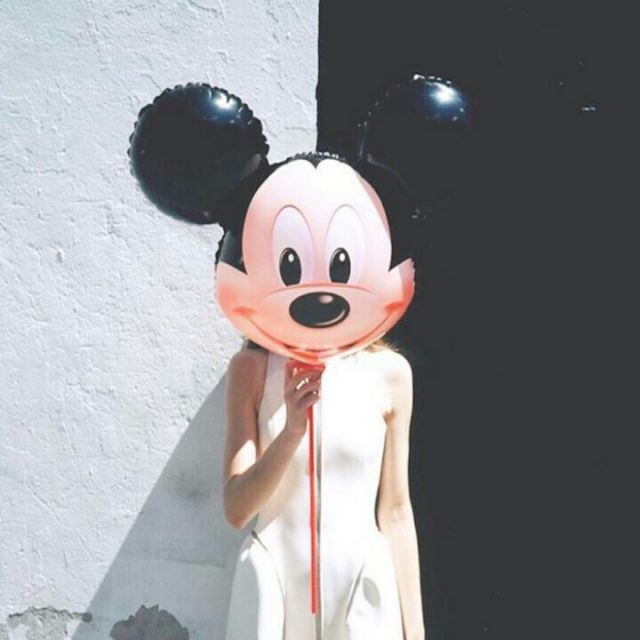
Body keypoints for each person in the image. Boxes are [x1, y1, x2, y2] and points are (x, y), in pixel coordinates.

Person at [223, 337, 425, 639]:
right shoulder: (252, 369)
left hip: (362, 586)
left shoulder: (390, 373)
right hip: (273, 583)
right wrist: (291, 433)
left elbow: (396, 511)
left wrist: (416, 632)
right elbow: (236, 510)